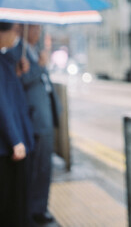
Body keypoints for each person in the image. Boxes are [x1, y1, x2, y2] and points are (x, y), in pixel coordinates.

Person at [10, 24, 61, 225]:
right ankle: (32, 209)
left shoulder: (35, 52)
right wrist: (40, 65)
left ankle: (40, 207)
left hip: (45, 117)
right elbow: (18, 83)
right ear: (24, 29)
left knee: (45, 167)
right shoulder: (17, 53)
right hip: (33, 119)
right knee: (35, 168)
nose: (38, 33)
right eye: (35, 28)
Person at [0, 22, 35, 227]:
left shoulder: (5, 58)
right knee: (12, 205)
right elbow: (2, 104)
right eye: (14, 31)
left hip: (12, 144)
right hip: (9, 147)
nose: (16, 36)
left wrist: (18, 70)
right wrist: (16, 140)